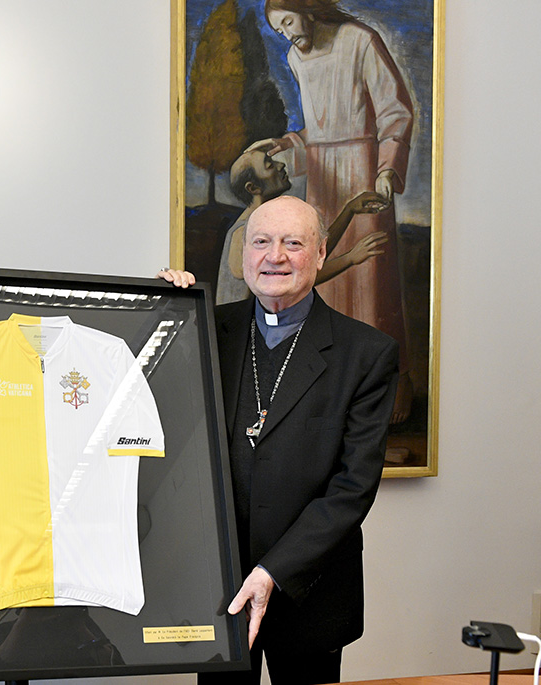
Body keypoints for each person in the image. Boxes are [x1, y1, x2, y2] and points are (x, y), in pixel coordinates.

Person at [160, 195, 398, 684]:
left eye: (294, 243)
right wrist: (165, 306)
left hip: (310, 592)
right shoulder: (204, 329)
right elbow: (147, 407)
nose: (276, 257)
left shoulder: (367, 354)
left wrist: (272, 573)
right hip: (220, 590)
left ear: (321, 254)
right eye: (262, 242)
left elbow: (352, 489)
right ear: (244, 253)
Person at [246, 0, 414, 424]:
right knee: (322, 283)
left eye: (287, 22)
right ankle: (324, 401)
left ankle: (381, 406)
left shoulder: (360, 41)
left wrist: (386, 169)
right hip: (323, 182)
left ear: (306, 10)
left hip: (362, 177)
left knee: (368, 285)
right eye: (278, 28)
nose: (286, 33)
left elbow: (396, 112)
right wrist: (286, 145)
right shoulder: (295, 58)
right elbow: (317, 134)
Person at [218, 149, 389, 305]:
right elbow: (292, 279)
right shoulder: (243, 232)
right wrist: (349, 258)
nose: (280, 165)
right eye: (269, 165)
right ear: (253, 188)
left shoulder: (269, 224)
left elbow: (313, 255)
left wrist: (349, 210)